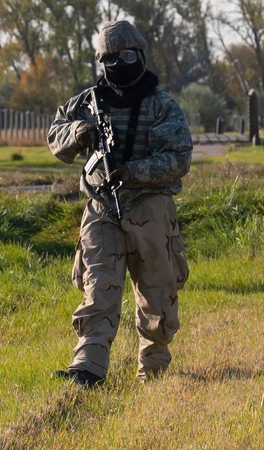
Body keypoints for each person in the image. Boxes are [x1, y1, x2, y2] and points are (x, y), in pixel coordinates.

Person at [47, 20, 192, 387]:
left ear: (139, 55)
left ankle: (153, 371)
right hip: (101, 207)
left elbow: (178, 158)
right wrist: (79, 132)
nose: (117, 65)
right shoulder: (86, 103)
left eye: (125, 57)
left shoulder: (160, 105)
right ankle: (88, 369)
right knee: (98, 289)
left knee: (157, 296)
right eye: (108, 60)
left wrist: (132, 171)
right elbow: (54, 138)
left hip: (149, 207)